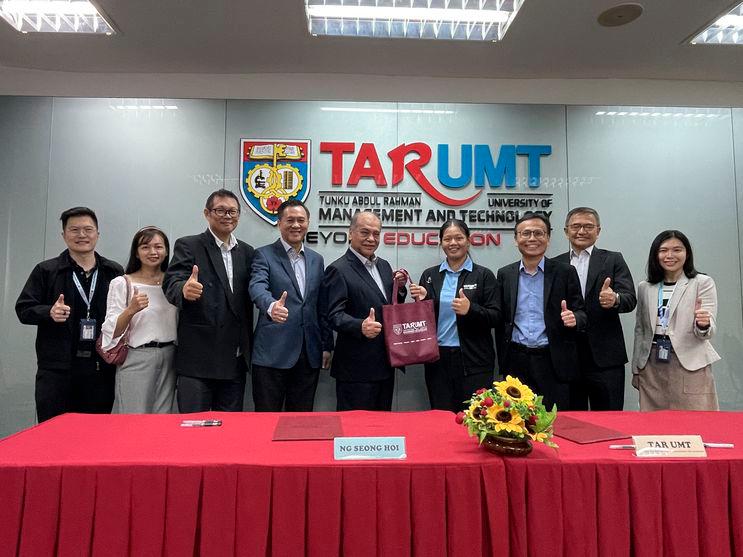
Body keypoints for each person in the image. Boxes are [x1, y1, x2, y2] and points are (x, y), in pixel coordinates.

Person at [16, 207, 124, 422]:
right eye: (74, 230)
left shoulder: (113, 272)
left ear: (97, 234)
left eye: (87, 229)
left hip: (99, 369)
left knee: (94, 434)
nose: (81, 235)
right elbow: (24, 309)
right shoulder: (46, 270)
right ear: (64, 235)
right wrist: (49, 311)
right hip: (57, 370)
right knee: (52, 433)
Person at [162, 189, 254, 412]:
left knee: (229, 433)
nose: (227, 216)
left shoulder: (248, 252)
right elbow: (172, 280)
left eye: (232, 211)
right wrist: (184, 289)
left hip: (234, 358)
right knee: (193, 432)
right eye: (220, 210)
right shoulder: (189, 245)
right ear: (207, 213)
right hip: (198, 358)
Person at [495, 212, 587, 410]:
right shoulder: (505, 274)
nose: (532, 239)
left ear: (548, 238)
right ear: (516, 238)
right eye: (525, 233)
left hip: (553, 360)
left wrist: (575, 318)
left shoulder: (564, 272)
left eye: (539, 233)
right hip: (516, 360)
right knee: (517, 421)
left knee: (556, 421)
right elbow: (499, 316)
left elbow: (581, 312)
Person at [249, 199, 333, 411]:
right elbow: (257, 287)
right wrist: (270, 306)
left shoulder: (317, 259)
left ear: (308, 223)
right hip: (272, 353)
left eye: (301, 220)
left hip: (308, 354)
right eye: (290, 220)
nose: (296, 225)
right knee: (267, 421)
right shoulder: (264, 255)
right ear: (279, 223)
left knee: (301, 422)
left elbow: (320, 306)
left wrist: (326, 345)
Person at [411, 219, 500, 412]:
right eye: (447, 239)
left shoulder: (484, 275)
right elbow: (423, 321)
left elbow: (496, 316)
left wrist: (471, 309)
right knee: (441, 416)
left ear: (468, 241)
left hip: (474, 361)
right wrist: (426, 302)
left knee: (475, 418)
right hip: (438, 360)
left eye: (459, 238)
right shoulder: (430, 275)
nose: (453, 243)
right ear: (441, 243)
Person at [555, 207, 637, 410]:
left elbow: (630, 299)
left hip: (606, 356)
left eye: (588, 226)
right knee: (573, 421)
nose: (581, 231)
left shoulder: (613, 259)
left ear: (598, 231)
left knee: (610, 418)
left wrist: (615, 299)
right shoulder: (555, 264)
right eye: (576, 226)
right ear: (566, 231)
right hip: (569, 355)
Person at [323, 211, 405, 411]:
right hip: (355, 370)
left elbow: (387, 307)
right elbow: (333, 315)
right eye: (365, 232)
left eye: (376, 234)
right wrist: (360, 326)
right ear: (351, 234)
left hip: (385, 365)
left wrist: (399, 290)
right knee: (354, 432)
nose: (371, 239)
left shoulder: (384, 266)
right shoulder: (338, 269)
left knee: (383, 428)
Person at [632, 230, 720, 410]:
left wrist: (703, 324)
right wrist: (636, 368)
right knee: (654, 423)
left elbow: (707, 330)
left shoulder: (702, 282)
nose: (669, 255)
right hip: (652, 363)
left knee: (695, 420)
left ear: (687, 254)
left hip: (689, 364)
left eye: (677, 250)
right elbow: (641, 330)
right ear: (655, 255)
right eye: (663, 250)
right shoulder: (645, 287)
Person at [100, 226, 177, 413]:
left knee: (163, 419)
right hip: (137, 357)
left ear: (167, 251)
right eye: (145, 247)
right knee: (133, 418)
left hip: (171, 356)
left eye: (158, 247)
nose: (153, 252)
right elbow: (111, 331)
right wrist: (131, 310)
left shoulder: (173, 283)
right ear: (136, 252)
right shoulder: (122, 283)